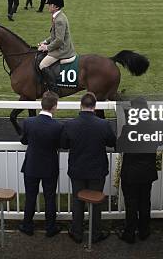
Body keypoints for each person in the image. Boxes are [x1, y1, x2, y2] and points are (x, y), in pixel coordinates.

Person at [60, 92, 116, 244]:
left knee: (78, 201)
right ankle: (95, 233)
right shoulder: (103, 124)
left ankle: (77, 233)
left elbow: (64, 144)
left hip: (78, 170)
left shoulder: (70, 124)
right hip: (97, 171)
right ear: (95, 106)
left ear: (81, 105)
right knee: (96, 203)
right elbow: (112, 142)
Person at [116, 98, 162, 244]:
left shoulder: (129, 128)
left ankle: (129, 233)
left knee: (132, 204)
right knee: (144, 202)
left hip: (131, 173)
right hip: (147, 172)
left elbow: (120, 147)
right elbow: (160, 141)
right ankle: (144, 231)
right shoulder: (154, 126)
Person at [18, 91, 63, 237]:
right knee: (50, 197)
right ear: (54, 107)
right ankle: (50, 228)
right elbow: (61, 144)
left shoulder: (29, 122)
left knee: (30, 196)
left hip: (32, 165)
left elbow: (24, 140)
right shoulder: (58, 126)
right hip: (49, 166)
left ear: (41, 105)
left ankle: (27, 226)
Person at [37, 0, 75, 93]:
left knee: (42, 65)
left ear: (56, 7)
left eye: (50, 5)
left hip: (62, 50)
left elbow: (59, 40)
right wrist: (45, 41)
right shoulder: (58, 16)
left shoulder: (59, 20)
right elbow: (55, 36)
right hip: (60, 46)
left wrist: (47, 48)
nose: (48, 6)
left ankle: (53, 89)